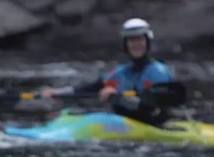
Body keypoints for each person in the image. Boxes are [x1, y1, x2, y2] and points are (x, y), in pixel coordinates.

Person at [41, 18, 177, 125]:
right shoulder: (120, 72)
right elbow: (88, 89)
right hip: (127, 124)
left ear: (147, 42)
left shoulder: (158, 71)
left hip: (154, 123)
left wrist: (117, 96)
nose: (136, 44)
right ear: (126, 44)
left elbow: (151, 107)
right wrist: (56, 93)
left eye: (140, 39)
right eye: (131, 40)